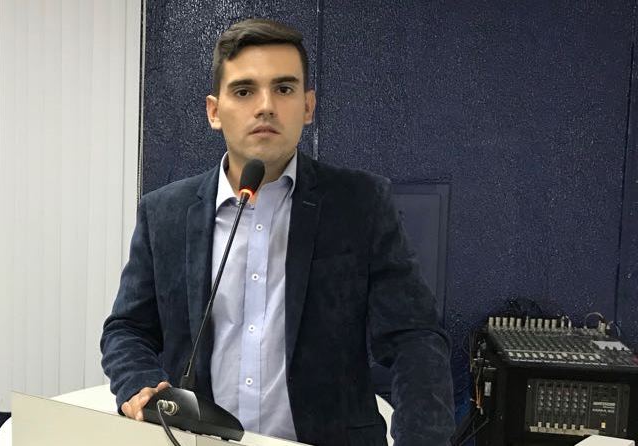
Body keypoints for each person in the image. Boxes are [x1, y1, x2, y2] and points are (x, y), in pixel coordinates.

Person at [99, 18, 455, 446]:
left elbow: (415, 337)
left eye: (284, 89)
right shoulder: (165, 213)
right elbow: (127, 329)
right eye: (244, 91)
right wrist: (139, 383)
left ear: (307, 106)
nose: (265, 106)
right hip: (200, 439)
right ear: (214, 111)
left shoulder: (360, 204)